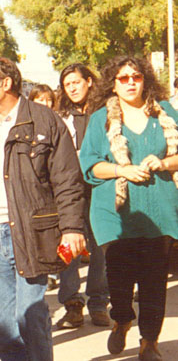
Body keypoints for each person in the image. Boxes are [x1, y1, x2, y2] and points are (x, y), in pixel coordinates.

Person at [0, 57, 87, 361]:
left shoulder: (45, 121)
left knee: (27, 315)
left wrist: (71, 229)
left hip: (33, 230)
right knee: (3, 324)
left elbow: (67, 179)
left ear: (6, 83)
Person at [79, 56, 178, 361]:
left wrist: (162, 162)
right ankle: (121, 319)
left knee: (154, 280)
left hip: (159, 209)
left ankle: (149, 342)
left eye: (136, 76)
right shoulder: (101, 119)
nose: (131, 82)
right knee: (119, 279)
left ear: (145, 79)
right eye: (123, 78)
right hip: (114, 213)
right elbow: (91, 166)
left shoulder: (166, 112)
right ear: (113, 83)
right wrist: (123, 170)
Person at [53, 63, 110, 329]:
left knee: (100, 248)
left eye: (77, 82)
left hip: (100, 188)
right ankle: (72, 305)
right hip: (71, 190)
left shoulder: (107, 112)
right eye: (68, 84)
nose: (73, 88)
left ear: (89, 81)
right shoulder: (60, 115)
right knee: (70, 248)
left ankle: (99, 303)